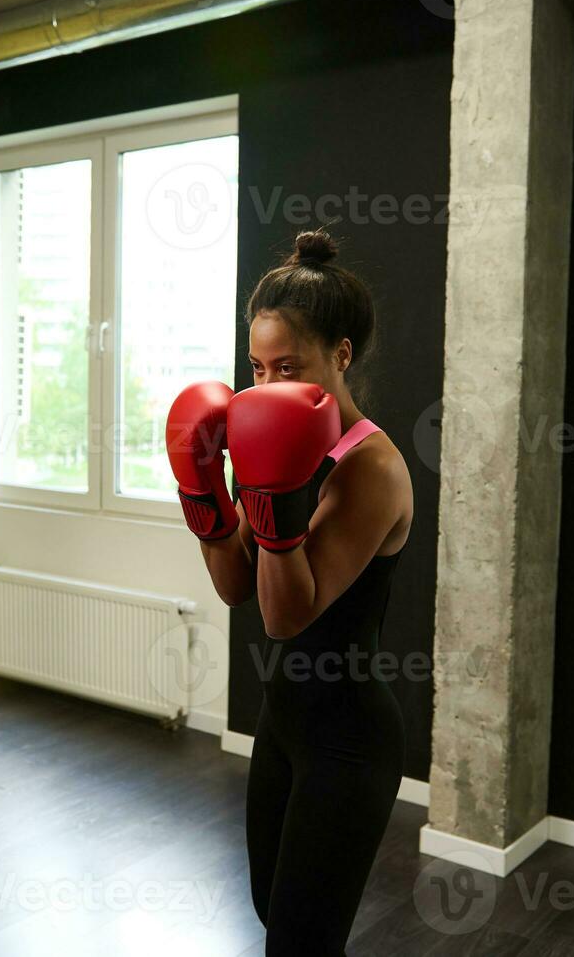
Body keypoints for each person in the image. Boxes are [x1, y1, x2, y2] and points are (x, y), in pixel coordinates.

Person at [165, 229, 414, 955]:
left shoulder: (370, 467)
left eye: (288, 366)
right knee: (271, 911)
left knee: (302, 943)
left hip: (348, 741)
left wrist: (271, 506)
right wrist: (205, 500)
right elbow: (237, 587)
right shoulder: (270, 434)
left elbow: (283, 615)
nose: (267, 386)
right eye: (256, 367)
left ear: (339, 355)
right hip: (284, 724)